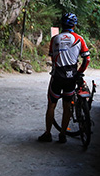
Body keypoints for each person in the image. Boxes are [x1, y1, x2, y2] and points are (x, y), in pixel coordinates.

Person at [38, 13, 91, 143]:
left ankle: (48, 133)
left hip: (57, 76)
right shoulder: (79, 39)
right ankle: (62, 134)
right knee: (67, 105)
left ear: (62, 24)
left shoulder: (55, 39)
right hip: (71, 77)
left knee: (51, 105)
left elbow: (53, 57)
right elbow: (87, 58)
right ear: (74, 25)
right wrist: (79, 72)